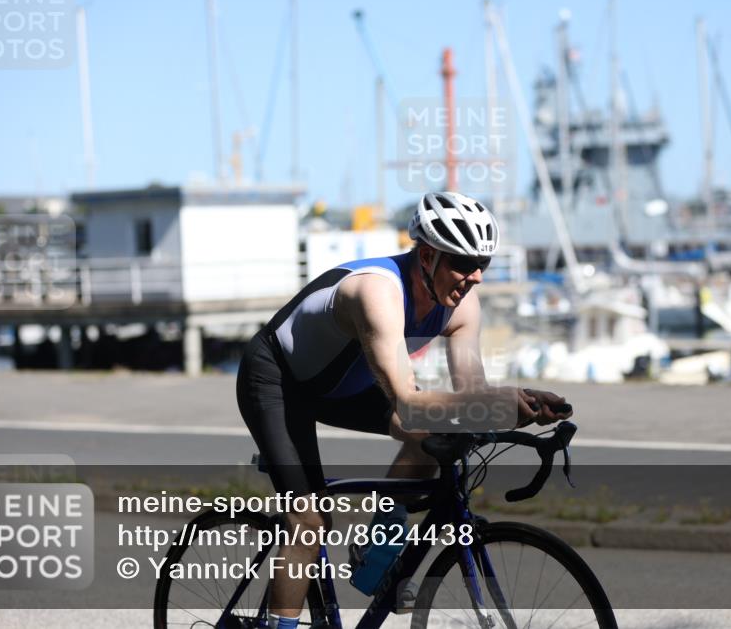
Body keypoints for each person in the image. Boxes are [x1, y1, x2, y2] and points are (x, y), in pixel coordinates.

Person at [236, 191, 571, 629]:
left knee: (429, 441)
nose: (476, 277)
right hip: (278, 381)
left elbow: (471, 391)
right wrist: (491, 402)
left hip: (346, 388)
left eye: (482, 265)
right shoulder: (376, 292)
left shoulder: (462, 304)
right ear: (428, 256)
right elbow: (408, 403)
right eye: (464, 264)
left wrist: (517, 401)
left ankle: (376, 558)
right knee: (309, 519)